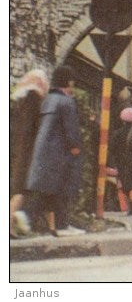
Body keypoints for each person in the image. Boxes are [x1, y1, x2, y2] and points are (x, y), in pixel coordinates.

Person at [23, 65, 85, 236]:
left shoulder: (47, 99)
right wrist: (76, 148)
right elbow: (71, 129)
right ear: (69, 81)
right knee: (63, 189)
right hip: (60, 153)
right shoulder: (66, 101)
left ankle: (56, 227)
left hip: (43, 152)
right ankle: (62, 225)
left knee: (49, 190)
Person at [10, 69, 50, 237]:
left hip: (17, 149)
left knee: (20, 189)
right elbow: (29, 129)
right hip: (25, 151)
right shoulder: (33, 98)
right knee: (20, 189)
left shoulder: (19, 99)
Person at [109, 106, 132, 215]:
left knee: (123, 182)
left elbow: (111, 148)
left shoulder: (117, 133)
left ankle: (127, 203)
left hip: (121, 160)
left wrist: (112, 162)